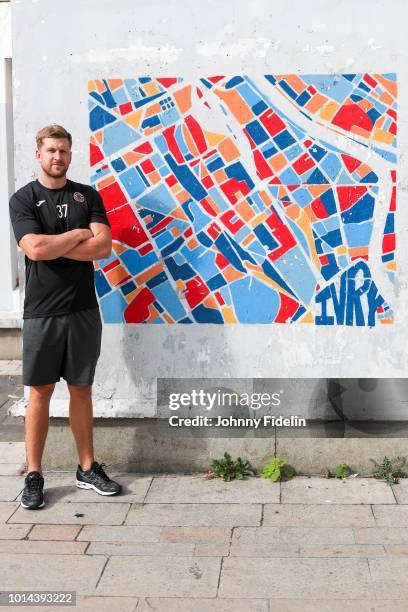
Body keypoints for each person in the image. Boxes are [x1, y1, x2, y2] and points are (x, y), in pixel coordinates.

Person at [9, 124, 122, 509]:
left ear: (71, 155)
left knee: (81, 389)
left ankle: (87, 467)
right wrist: (78, 236)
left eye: (64, 151)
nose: (58, 157)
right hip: (42, 311)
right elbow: (35, 249)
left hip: (83, 309)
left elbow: (103, 247)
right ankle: (34, 475)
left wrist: (60, 242)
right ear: (38, 154)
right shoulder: (23, 199)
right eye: (51, 150)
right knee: (39, 393)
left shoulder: (87, 195)